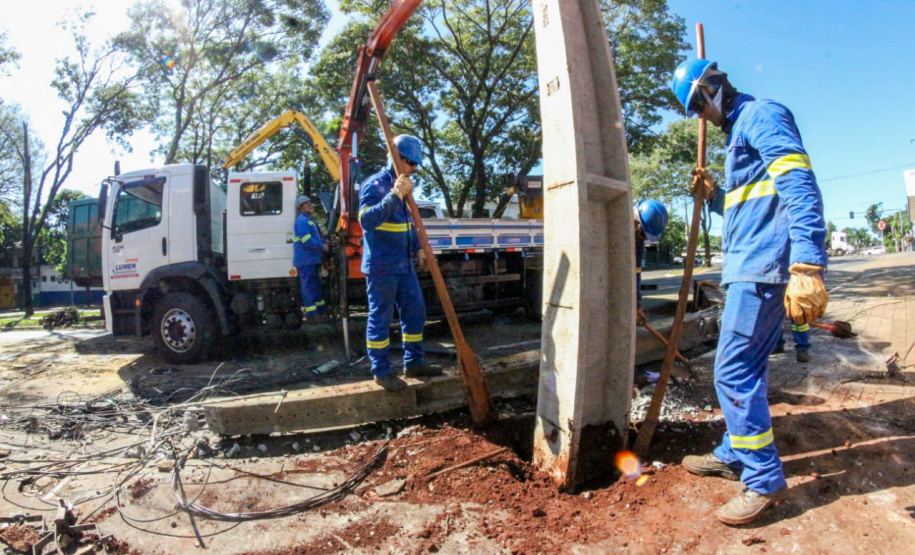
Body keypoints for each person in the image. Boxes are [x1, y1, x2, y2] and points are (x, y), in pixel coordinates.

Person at [671, 59, 828, 525]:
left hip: (762, 271)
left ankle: (762, 479)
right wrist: (715, 197)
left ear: (709, 90)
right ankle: (735, 452)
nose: (700, 117)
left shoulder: (761, 115)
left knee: (732, 374)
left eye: (697, 106)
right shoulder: (739, 133)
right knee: (749, 371)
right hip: (749, 265)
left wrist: (807, 262)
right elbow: (749, 210)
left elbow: (798, 183)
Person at [358, 134, 441, 391]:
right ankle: (381, 371)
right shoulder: (375, 184)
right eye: (411, 163)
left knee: (416, 312)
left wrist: (419, 249)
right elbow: (366, 221)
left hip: (403, 264)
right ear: (397, 157)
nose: (414, 169)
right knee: (380, 319)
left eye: (416, 165)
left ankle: (413, 362)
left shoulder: (403, 185)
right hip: (382, 264)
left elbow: (407, 226)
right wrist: (395, 195)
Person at [634, 199, 669, 326]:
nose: (642, 238)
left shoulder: (637, 242)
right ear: (636, 223)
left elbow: (636, 274)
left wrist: (636, 305)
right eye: (643, 234)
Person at [293, 195, 328, 321]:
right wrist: (322, 246)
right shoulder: (302, 220)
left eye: (309, 203)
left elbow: (317, 236)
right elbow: (306, 240)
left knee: (315, 286)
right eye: (306, 204)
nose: (309, 205)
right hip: (306, 260)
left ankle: (319, 311)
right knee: (309, 286)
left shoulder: (309, 220)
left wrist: (324, 240)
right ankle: (312, 315)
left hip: (311, 259)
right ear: (300, 208)